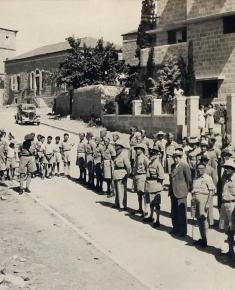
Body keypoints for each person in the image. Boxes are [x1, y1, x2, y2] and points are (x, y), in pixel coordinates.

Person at [169, 148, 192, 237]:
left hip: (182, 192)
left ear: (180, 157)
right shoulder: (172, 166)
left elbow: (189, 179)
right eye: (174, 157)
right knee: (174, 211)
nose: (175, 159)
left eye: (177, 157)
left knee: (182, 213)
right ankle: (175, 228)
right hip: (173, 192)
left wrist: (188, 190)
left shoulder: (185, 166)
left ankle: (183, 231)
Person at [191, 162, 215, 247]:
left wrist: (208, 203)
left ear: (205, 169)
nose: (199, 170)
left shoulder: (208, 178)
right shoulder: (196, 178)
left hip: (203, 200)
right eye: (198, 168)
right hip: (195, 200)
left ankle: (205, 240)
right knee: (198, 219)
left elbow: (211, 191)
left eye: (201, 168)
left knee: (203, 219)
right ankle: (202, 238)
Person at [143, 147, 165, 227]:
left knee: (157, 204)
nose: (150, 156)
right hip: (149, 185)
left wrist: (158, 187)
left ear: (156, 155)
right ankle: (151, 216)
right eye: (150, 154)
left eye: (152, 154)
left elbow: (161, 177)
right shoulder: (150, 163)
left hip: (155, 186)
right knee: (151, 203)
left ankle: (158, 220)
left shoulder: (158, 164)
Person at [219, 160, 235, 258]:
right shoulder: (224, 177)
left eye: (228, 168)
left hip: (233, 206)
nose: (226, 169)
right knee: (228, 230)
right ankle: (230, 251)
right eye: (225, 167)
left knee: (233, 228)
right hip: (224, 205)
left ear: (233, 169)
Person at [113, 140, 131, 210]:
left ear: (121, 148)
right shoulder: (117, 155)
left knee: (122, 190)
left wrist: (127, 174)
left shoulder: (124, 155)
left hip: (122, 173)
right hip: (116, 173)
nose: (116, 150)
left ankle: (122, 205)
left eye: (117, 148)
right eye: (116, 148)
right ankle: (117, 203)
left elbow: (128, 166)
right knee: (117, 190)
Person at [133, 144, 149, 216]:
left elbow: (148, 167)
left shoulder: (144, 158)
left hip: (142, 176)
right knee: (138, 194)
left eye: (138, 149)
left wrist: (147, 176)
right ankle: (140, 208)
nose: (137, 150)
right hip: (136, 176)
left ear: (142, 150)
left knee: (143, 194)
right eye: (136, 149)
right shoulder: (137, 157)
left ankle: (146, 210)